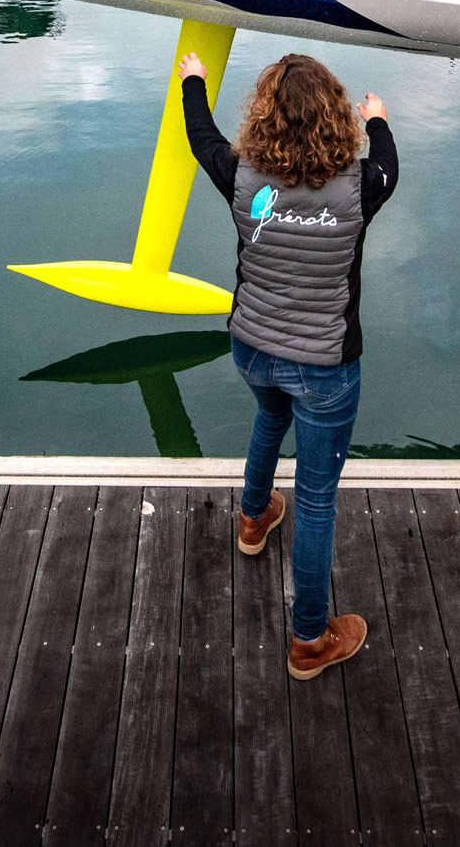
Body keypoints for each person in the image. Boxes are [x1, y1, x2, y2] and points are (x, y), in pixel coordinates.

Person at [177, 49, 399, 680]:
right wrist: (377, 118)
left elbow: (201, 136)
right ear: (336, 118)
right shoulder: (363, 186)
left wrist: (194, 79)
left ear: (264, 117)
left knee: (270, 421)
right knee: (318, 497)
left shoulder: (241, 174)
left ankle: (252, 518)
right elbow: (388, 159)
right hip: (325, 364)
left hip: (251, 347)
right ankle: (308, 640)